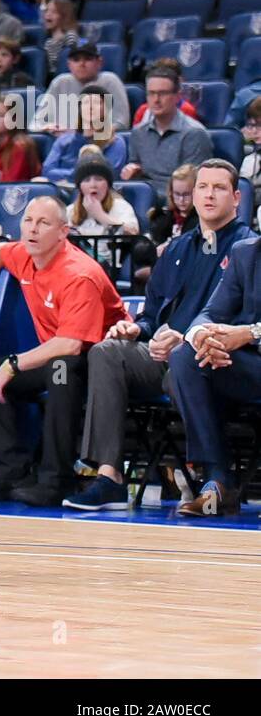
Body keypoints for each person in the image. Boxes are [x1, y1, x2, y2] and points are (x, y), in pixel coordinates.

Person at [68, 160, 254, 511]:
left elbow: (244, 321)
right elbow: (153, 314)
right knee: (107, 352)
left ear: (236, 197)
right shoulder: (178, 249)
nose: (209, 194)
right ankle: (109, 476)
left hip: (213, 359)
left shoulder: (247, 248)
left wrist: (185, 339)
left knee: (183, 364)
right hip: (164, 356)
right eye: (202, 187)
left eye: (218, 188)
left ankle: (213, 476)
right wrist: (138, 329)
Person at [0, 195, 128, 505]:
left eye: (43, 223)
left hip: (103, 363)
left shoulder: (79, 273)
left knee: (59, 368)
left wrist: (13, 363)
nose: (32, 229)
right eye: (28, 221)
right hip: (58, 354)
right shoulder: (26, 253)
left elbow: (72, 344)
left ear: (63, 232)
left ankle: (57, 480)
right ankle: (11, 473)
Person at [170, 232, 261, 517]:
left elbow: (245, 333)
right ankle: (217, 480)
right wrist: (202, 337)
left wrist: (249, 333)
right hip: (250, 369)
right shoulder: (246, 253)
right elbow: (210, 312)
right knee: (186, 357)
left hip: (251, 350)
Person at [122, 67, 211, 194]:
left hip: (179, 203)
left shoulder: (194, 133)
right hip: (146, 200)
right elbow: (136, 170)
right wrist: (131, 172)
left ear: (177, 96)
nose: (156, 100)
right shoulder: (138, 132)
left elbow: (194, 185)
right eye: (151, 93)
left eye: (162, 93)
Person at [34, 40, 130, 132]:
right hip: (63, 142)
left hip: (102, 141)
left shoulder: (110, 81)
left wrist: (93, 133)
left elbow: (122, 122)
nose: (82, 64)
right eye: (76, 60)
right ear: (69, 65)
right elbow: (36, 123)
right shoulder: (60, 82)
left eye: (88, 59)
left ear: (99, 62)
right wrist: (48, 127)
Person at [40, 86, 127, 184]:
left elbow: (108, 174)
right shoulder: (64, 140)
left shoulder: (115, 142)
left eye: (96, 103)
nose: (90, 107)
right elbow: (47, 170)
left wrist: (64, 178)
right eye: (86, 103)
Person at [69, 158, 140, 268]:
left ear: (108, 184)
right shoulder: (70, 211)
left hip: (107, 269)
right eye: (87, 180)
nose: (93, 185)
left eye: (99, 179)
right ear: (80, 187)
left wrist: (101, 215)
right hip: (74, 268)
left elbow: (133, 232)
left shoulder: (121, 206)